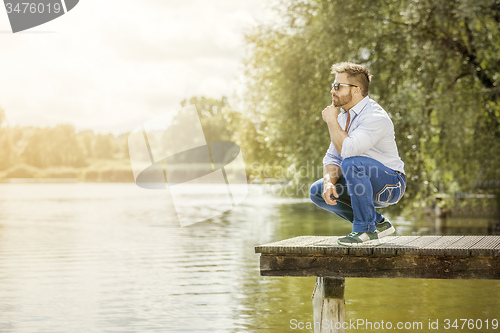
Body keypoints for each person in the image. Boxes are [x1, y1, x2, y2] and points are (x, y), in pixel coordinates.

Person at [309, 62, 406, 246]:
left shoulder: (374, 116)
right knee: (316, 191)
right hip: (364, 178)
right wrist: (329, 183)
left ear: (356, 89)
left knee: (351, 163)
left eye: (338, 86)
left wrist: (331, 122)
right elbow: (333, 157)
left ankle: (365, 230)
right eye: (332, 86)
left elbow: (348, 150)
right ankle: (379, 224)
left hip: (391, 184)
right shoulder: (344, 116)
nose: (333, 91)